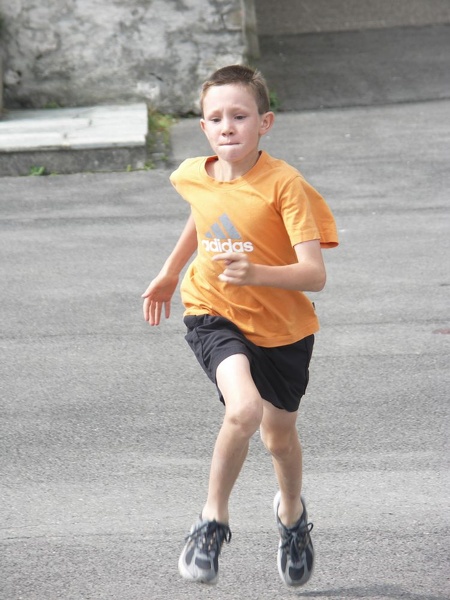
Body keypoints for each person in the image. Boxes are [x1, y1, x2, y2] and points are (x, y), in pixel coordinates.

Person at [142, 64, 338, 587]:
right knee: (244, 409)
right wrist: (170, 272)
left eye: (240, 116)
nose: (227, 126)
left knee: (279, 438)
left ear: (264, 123)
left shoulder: (284, 185)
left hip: (283, 329)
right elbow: (205, 213)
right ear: (203, 127)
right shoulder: (192, 173)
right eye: (216, 118)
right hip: (213, 311)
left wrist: (259, 273)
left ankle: (291, 515)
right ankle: (211, 520)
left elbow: (315, 275)